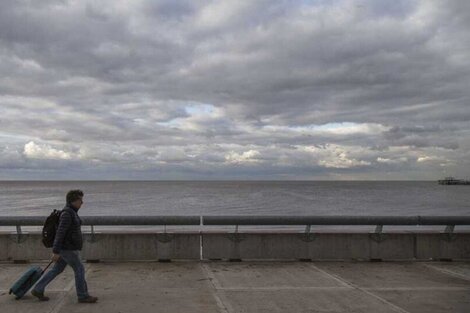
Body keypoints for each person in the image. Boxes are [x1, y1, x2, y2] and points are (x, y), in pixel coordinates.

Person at [31, 190, 98, 303]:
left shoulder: (71, 211)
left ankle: (38, 288)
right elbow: (60, 233)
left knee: (57, 269)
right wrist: (56, 251)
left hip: (66, 247)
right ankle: (83, 295)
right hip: (68, 249)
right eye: (80, 200)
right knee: (79, 269)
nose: (82, 202)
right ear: (73, 201)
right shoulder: (67, 214)